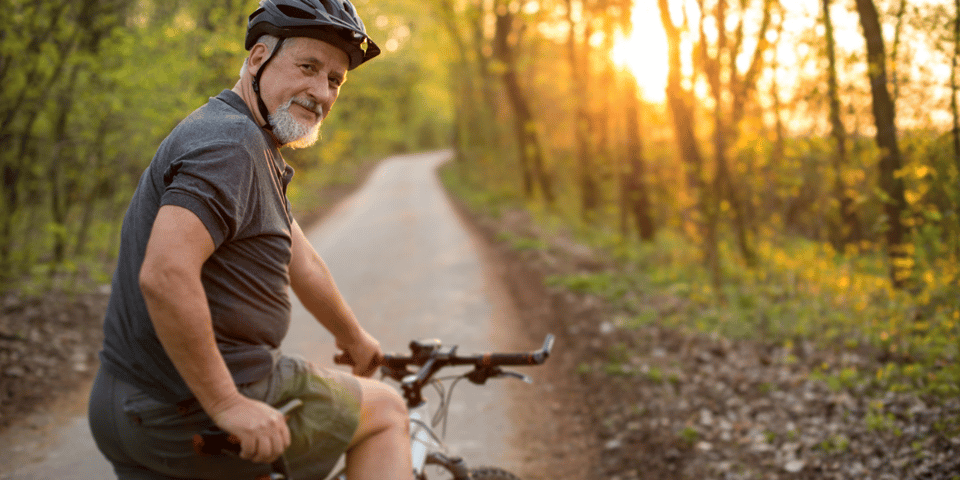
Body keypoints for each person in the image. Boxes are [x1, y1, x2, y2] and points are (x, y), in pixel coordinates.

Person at [88, 1, 413, 479]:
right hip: (188, 410)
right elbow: (165, 274)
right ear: (259, 58)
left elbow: (300, 258)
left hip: (130, 405)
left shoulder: (237, 137)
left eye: (334, 80)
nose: (321, 91)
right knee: (385, 411)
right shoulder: (231, 147)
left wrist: (354, 338)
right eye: (308, 67)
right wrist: (227, 403)